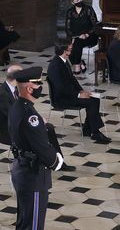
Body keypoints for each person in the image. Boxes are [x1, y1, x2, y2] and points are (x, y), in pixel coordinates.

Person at [8, 66, 64, 230]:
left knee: (24, 222)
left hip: (21, 170)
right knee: (33, 225)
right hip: (33, 176)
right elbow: (41, 147)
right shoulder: (30, 116)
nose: (40, 87)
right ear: (29, 88)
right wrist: (56, 161)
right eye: (38, 84)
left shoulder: (17, 107)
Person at [0, 64, 75, 171]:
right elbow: (11, 115)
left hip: (20, 125)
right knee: (43, 130)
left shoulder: (17, 89)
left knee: (48, 128)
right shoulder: (2, 93)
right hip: (8, 130)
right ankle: (50, 161)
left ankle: (56, 160)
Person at [47, 39, 111, 144]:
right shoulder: (55, 65)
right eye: (70, 49)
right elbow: (60, 88)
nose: (72, 51)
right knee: (91, 102)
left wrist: (81, 90)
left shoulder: (63, 61)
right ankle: (95, 132)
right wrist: (78, 95)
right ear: (64, 51)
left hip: (69, 94)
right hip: (62, 98)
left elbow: (72, 79)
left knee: (95, 99)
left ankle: (87, 129)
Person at [65, 0, 98, 74]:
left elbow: (95, 25)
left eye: (80, 0)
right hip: (75, 36)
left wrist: (87, 34)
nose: (79, 2)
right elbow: (67, 28)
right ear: (73, 2)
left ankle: (77, 66)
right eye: (77, 1)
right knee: (68, 45)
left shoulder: (88, 9)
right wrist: (75, 36)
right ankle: (80, 63)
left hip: (90, 36)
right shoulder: (70, 12)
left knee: (77, 43)